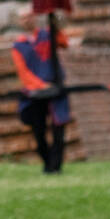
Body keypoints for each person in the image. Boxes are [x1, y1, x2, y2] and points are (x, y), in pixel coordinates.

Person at [11, 9, 71, 173]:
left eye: (28, 16)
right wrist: (41, 86)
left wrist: (56, 26)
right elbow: (23, 72)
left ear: (35, 18)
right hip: (35, 94)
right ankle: (47, 163)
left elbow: (64, 43)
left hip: (56, 88)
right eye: (23, 18)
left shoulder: (48, 35)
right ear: (19, 22)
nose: (26, 20)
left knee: (59, 128)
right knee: (39, 131)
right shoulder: (18, 45)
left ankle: (56, 166)